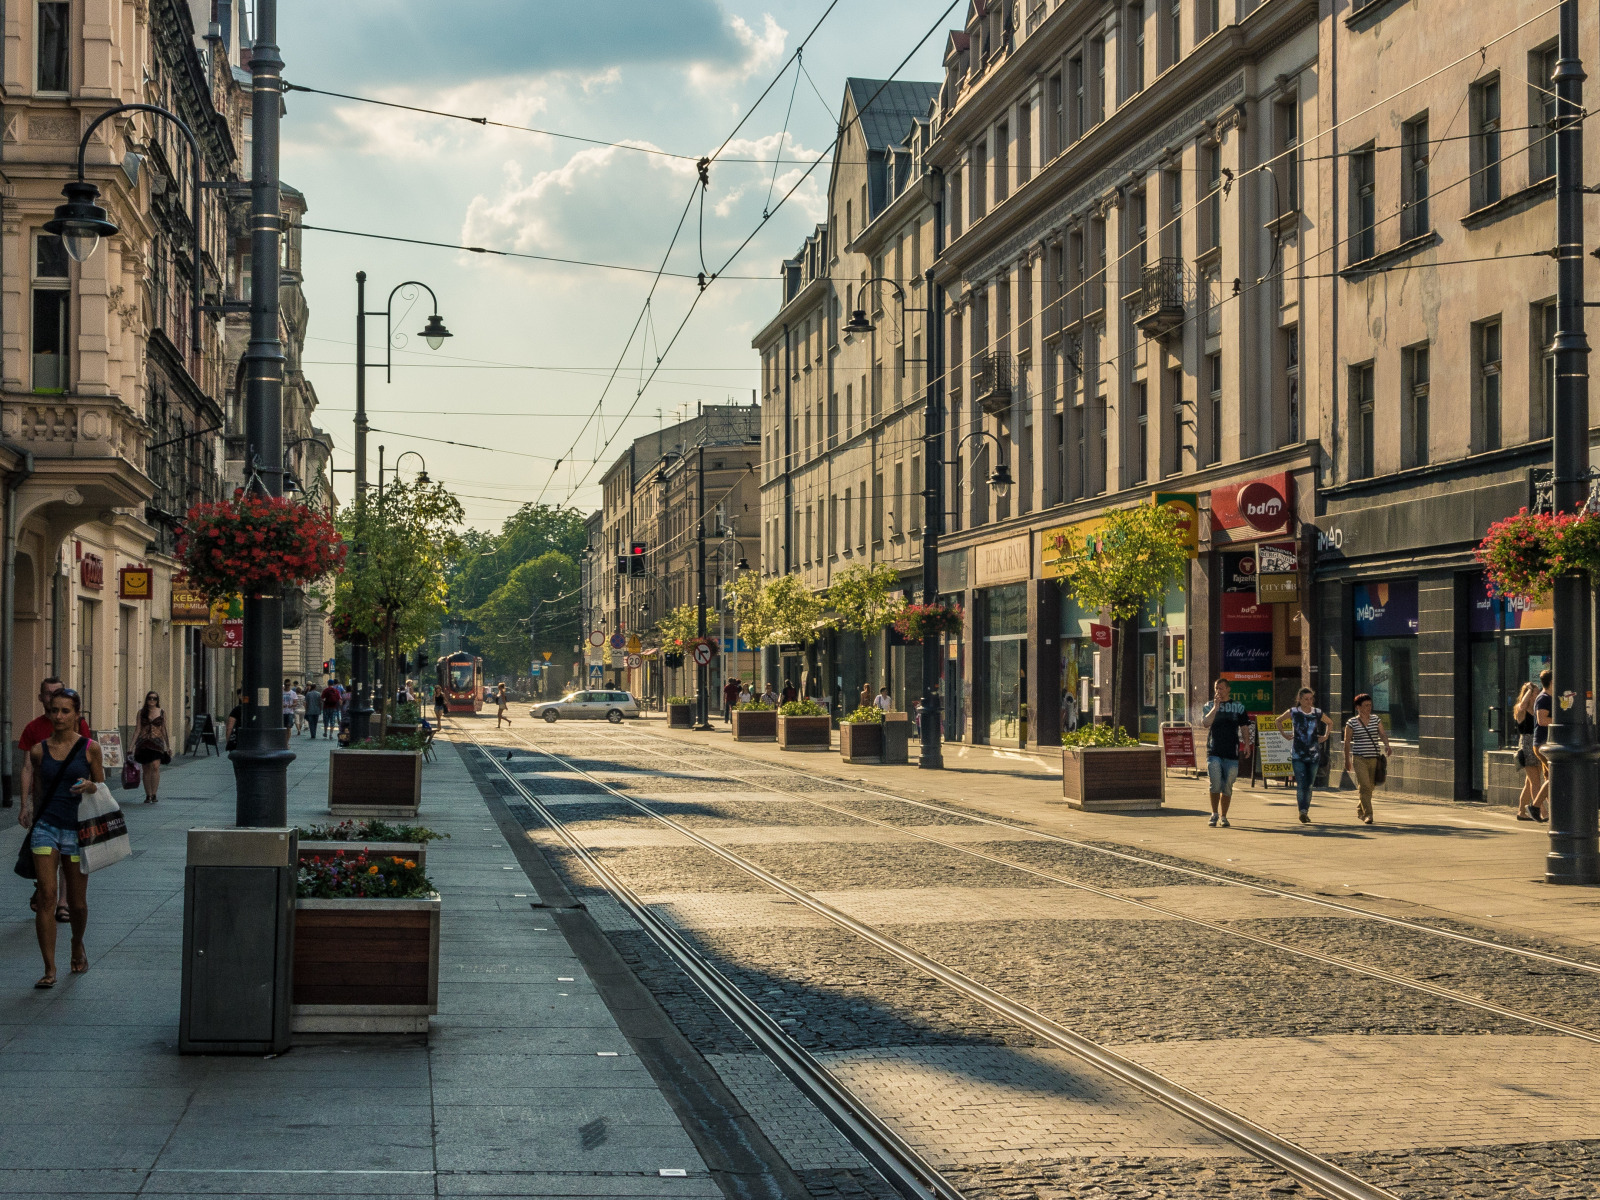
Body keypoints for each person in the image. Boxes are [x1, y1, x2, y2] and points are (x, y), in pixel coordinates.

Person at [20, 688, 103, 988]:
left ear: (77, 714)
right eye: (54, 710)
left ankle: (77, 943)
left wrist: (91, 787)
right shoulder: (39, 750)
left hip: (78, 829)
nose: (58, 716)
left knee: (78, 904)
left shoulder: (90, 748)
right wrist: (28, 811)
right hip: (46, 827)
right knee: (46, 895)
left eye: (65, 711)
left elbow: (102, 787)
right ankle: (49, 968)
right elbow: (38, 789)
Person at [19, 677, 91, 925]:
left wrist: (90, 787)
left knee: (69, 866)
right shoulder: (33, 729)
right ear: (41, 698)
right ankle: (46, 891)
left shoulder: (79, 726)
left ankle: (62, 902)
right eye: (48, 694)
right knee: (46, 856)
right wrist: (25, 805)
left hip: (72, 811)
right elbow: (28, 768)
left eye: (57, 693)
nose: (53, 698)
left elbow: (89, 762)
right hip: (44, 810)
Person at [1279, 687, 1331, 824]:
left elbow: (1330, 722)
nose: (1309, 701)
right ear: (1299, 699)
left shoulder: (1317, 713)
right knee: (1301, 783)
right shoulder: (1294, 712)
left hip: (1313, 754)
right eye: (1306, 699)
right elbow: (1278, 721)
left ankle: (1305, 810)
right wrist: (1284, 734)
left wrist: (1325, 736)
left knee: (1309, 784)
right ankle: (1302, 811)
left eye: (1311, 699)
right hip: (1298, 754)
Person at [1200, 678, 1246, 828]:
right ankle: (1214, 813)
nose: (1218, 691)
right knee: (1215, 783)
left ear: (1228, 690)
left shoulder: (1238, 707)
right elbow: (1206, 723)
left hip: (1231, 752)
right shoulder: (1209, 706)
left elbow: (1244, 726)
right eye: (1216, 688)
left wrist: (1247, 745)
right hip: (1214, 750)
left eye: (1221, 688)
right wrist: (1216, 707)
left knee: (1227, 785)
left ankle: (1224, 816)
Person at [1343, 692, 1391, 826]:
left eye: (1370, 705)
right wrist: (1347, 760)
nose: (1369, 708)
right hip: (1359, 758)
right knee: (1364, 786)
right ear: (1358, 707)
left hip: (1374, 757)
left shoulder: (1376, 719)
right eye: (1365, 705)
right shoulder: (1351, 722)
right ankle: (1368, 814)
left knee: (1370, 786)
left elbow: (1382, 734)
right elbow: (1347, 742)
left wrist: (1387, 745)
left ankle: (1360, 808)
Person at [1512, 681, 1544, 821]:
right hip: (1527, 746)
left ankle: (1521, 811)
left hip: (1537, 744)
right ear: (1529, 695)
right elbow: (1523, 705)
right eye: (1535, 693)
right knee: (1535, 782)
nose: (1538, 695)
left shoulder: (1537, 708)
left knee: (1529, 782)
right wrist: (1529, 690)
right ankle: (1542, 811)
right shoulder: (1521, 709)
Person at [133, 691, 171, 805]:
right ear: (147, 699)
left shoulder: (162, 712)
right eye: (150, 698)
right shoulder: (141, 712)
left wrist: (168, 746)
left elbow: (164, 729)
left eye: (154, 698)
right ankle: (148, 794)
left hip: (157, 743)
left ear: (157, 700)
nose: (152, 700)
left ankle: (154, 794)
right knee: (146, 769)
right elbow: (137, 729)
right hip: (143, 743)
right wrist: (131, 746)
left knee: (155, 766)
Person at [1531, 667, 1554, 820]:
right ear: (1552, 682)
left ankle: (1553, 812)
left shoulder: (1549, 697)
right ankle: (1535, 806)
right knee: (1554, 776)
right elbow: (1542, 720)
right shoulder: (1544, 698)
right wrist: (1560, 722)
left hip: (1545, 744)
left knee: (1550, 779)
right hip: (1542, 744)